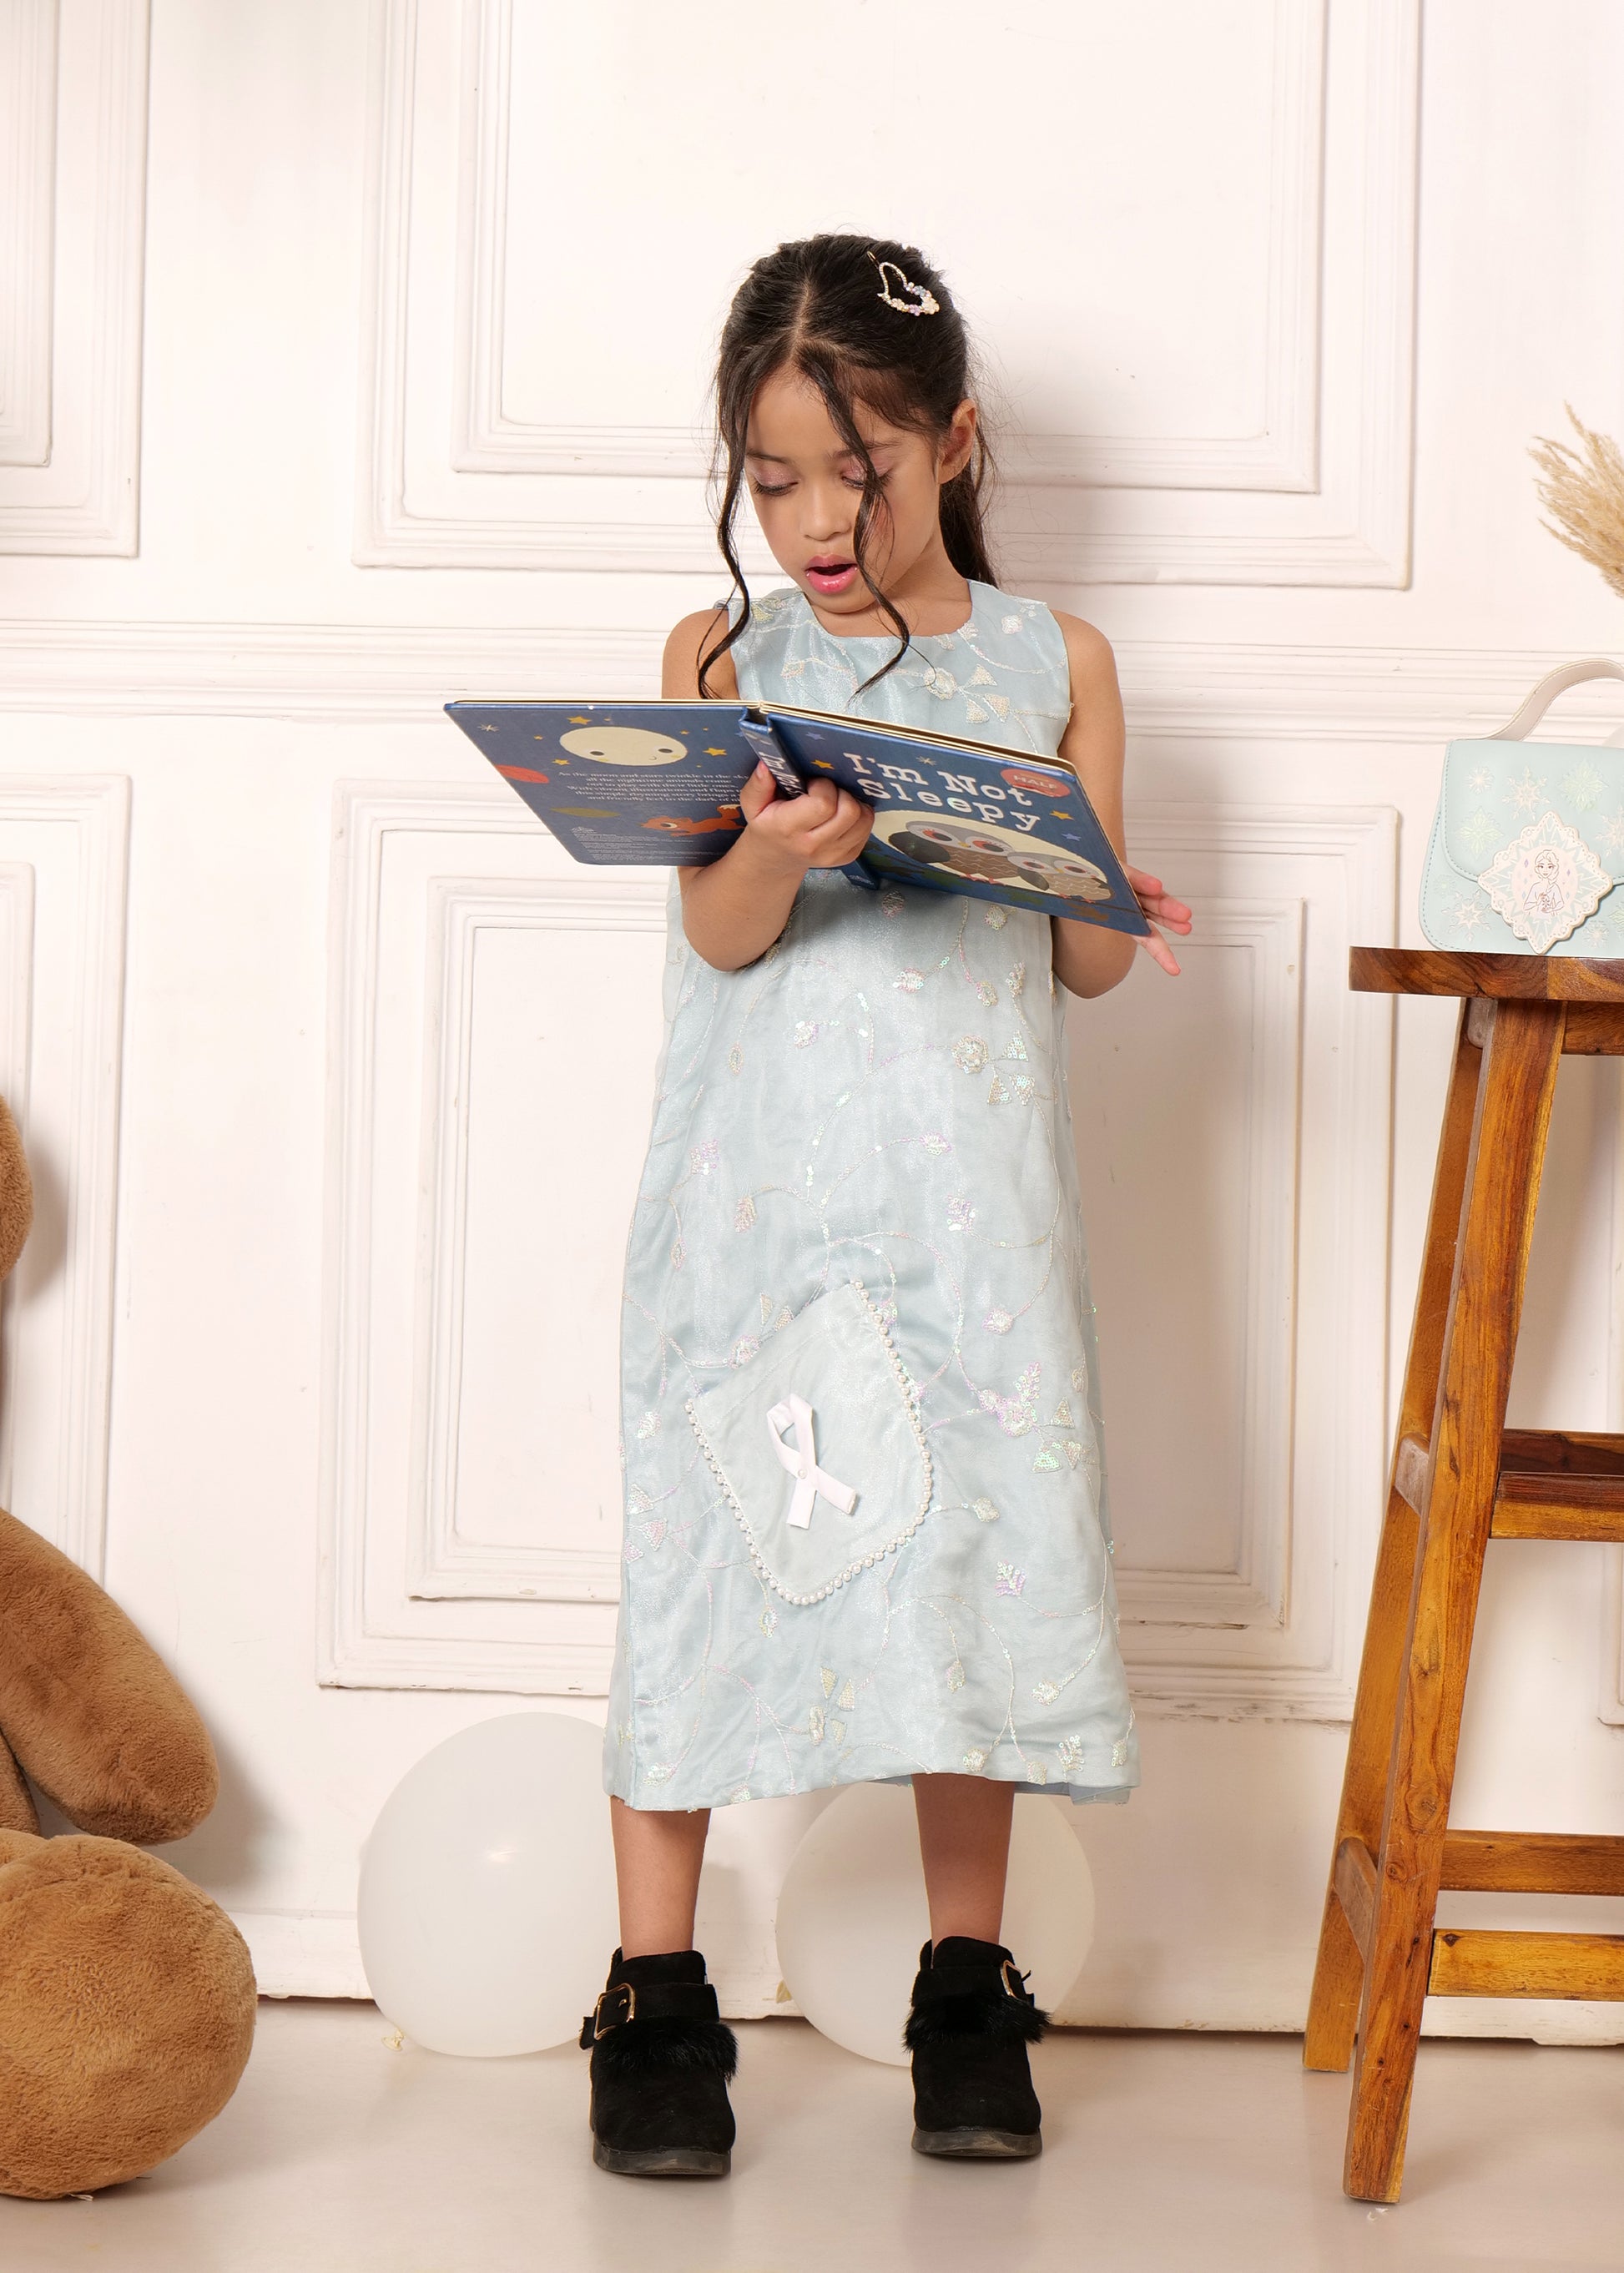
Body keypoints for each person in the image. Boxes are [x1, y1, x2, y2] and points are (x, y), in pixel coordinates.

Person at [583, 234, 1192, 2179]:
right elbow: (719, 931)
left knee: (970, 1565)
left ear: (954, 443)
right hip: (759, 1205)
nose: (820, 524)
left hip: (967, 1223)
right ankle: (657, 1996)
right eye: (775, 481)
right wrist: (774, 847)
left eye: (865, 473)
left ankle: (963, 1982)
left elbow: (1084, 977)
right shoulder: (719, 657)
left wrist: (1086, 883)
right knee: (702, 1556)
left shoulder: (1056, 664)